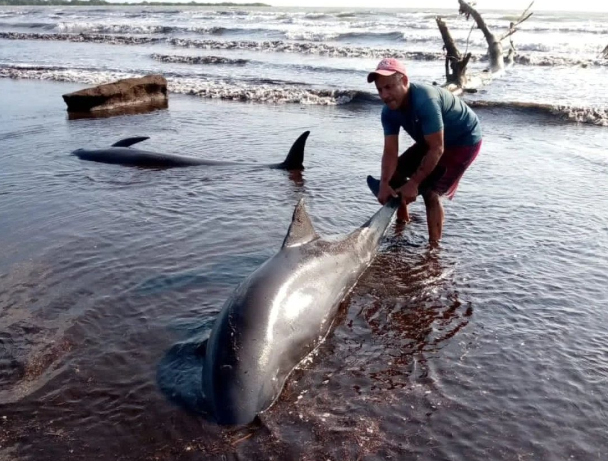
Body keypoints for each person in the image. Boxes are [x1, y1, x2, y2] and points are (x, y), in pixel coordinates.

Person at [367, 58, 482, 245]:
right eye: (380, 90)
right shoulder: (388, 112)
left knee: (431, 191)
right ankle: (403, 218)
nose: (385, 95)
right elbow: (390, 152)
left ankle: (433, 250)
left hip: (463, 140)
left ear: (404, 81)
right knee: (394, 176)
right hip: (432, 139)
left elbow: (437, 149)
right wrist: (384, 184)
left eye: (389, 87)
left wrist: (414, 182)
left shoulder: (425, 100)